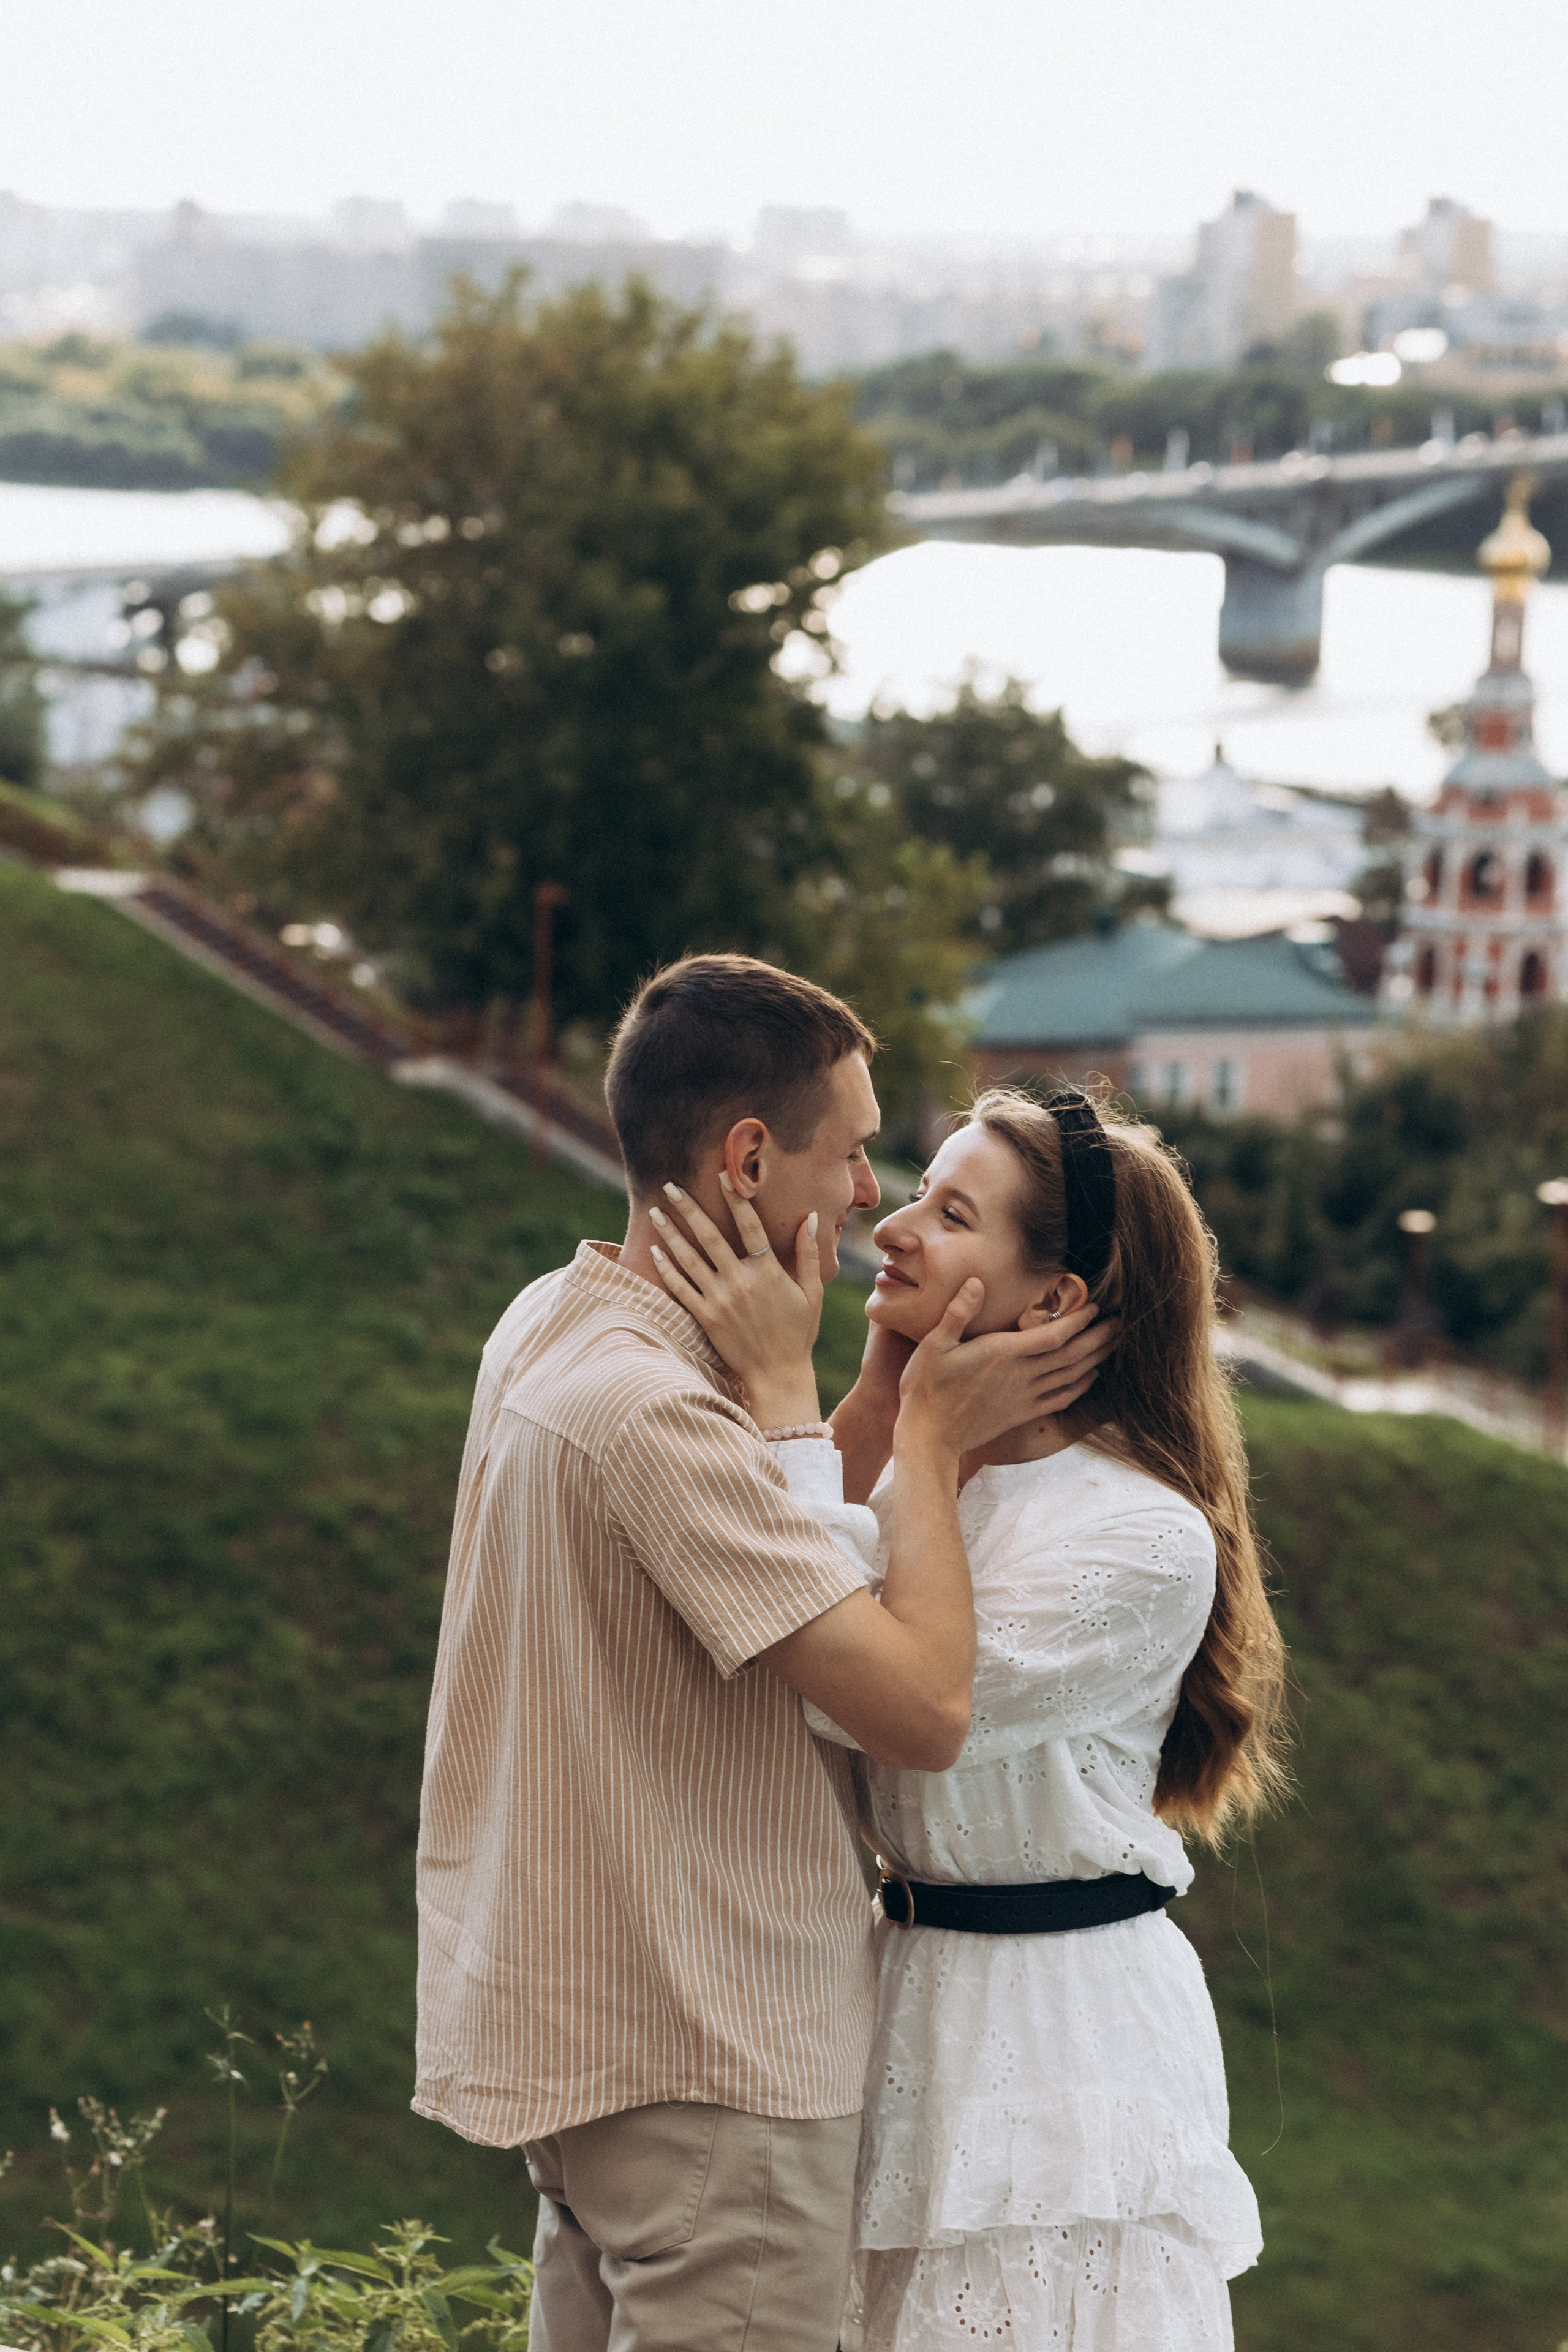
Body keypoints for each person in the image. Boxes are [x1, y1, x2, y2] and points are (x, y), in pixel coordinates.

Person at [413, 958, 1115, 2352]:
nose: (870, 1193)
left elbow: (765, 1543)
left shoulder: (553, 1326)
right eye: (853, 1152)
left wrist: (855, 1387)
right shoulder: (656, 1416)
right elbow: (918, 1707)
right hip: (712, 2070)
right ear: (748, 1158)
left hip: (598, 2058)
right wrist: (913, 1436)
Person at [651, 1084, 1287, 2351]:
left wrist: (810, 1400)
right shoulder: (930, 1472)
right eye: (915, 1188)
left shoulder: (1140, 1535)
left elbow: (877, 1700)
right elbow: (801, 1585)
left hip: (1060, 2035)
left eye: (950, 1215)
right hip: (905, 1990)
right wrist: (884, 1406)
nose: (889, 1225)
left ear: (1050, 1304)